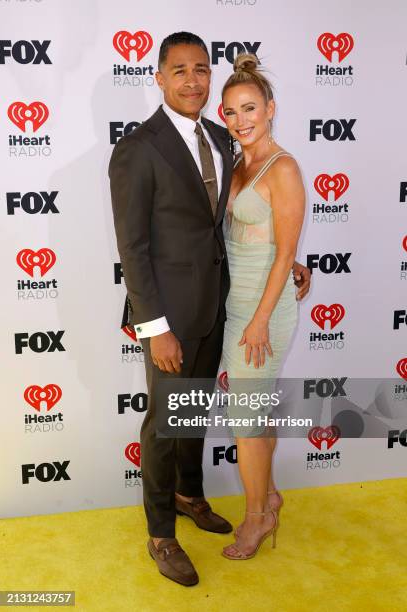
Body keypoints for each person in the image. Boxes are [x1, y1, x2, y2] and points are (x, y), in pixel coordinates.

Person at [109, 32, 310, 586]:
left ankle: (190, 493)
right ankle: (160, 533)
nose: (192, 80)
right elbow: (134, 249)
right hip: (169, 318)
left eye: (201, 69)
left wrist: (289, 261)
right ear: (159, 76)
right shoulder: (138, 148)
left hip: (222, 309)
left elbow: (251, 217)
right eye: (180, 70)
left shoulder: (224, 140)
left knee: (194, 414)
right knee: (164, 425)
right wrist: (155, 328)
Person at [220, 53, 305, 560]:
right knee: (254, 413)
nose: (240, 121)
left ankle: (257, 519)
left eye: (250, 109)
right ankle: (269, 496)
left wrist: (258, 321)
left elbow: (287, 252)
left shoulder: (284, 166)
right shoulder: (238, 161)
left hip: (263, 315)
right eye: (231, 112)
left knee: (246, 423)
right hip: (238, 307)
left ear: (270, 109)